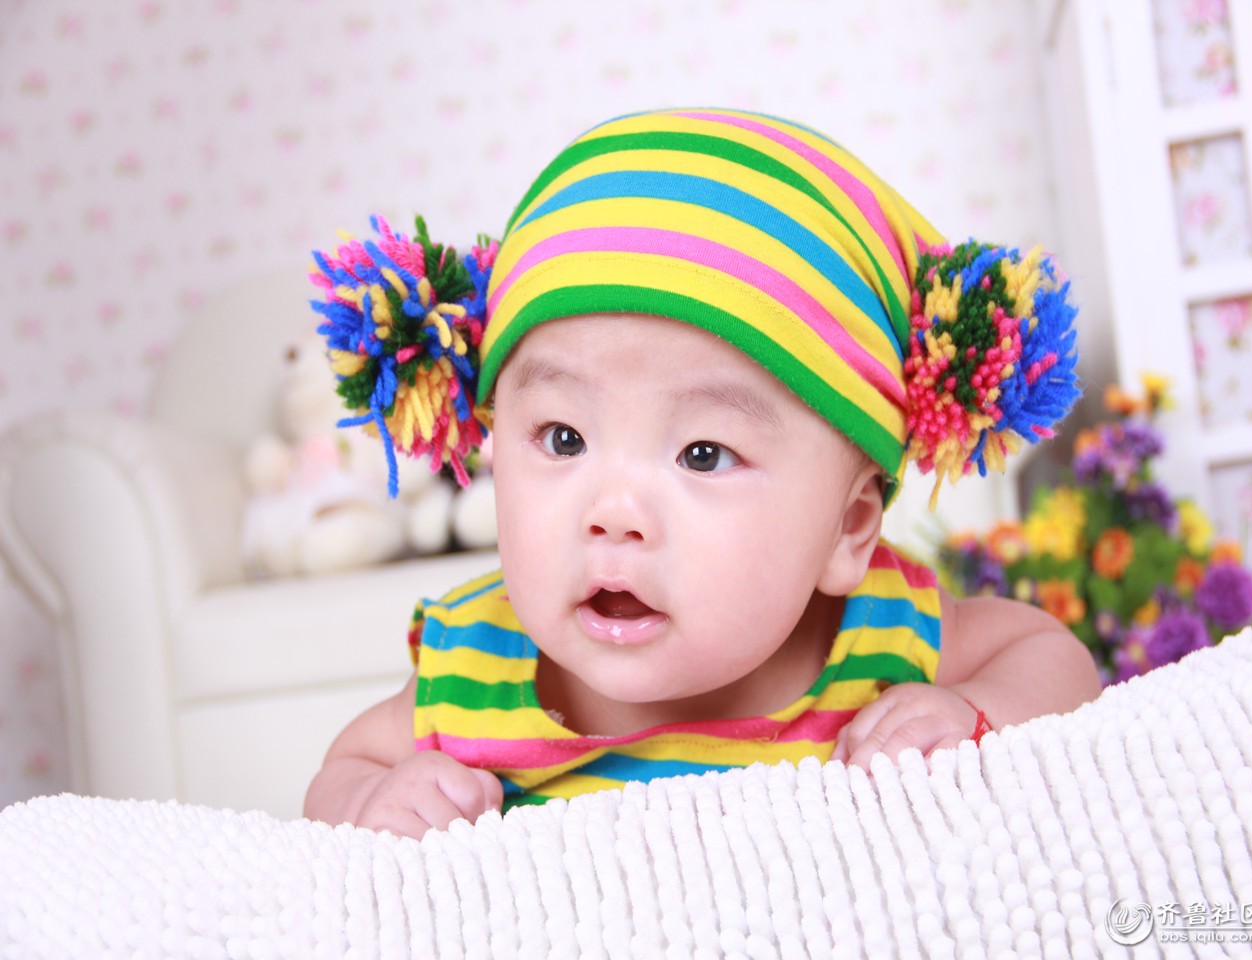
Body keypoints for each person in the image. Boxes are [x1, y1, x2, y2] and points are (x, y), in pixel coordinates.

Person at [302, 107, 1101, 839]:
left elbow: (1050, 655)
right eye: (564, 438)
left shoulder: (884, 634)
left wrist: (972, 713)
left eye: (703, 455)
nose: (614, 511)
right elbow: (345, 769)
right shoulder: (473, 670)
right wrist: (374, 799)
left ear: (848, 529)